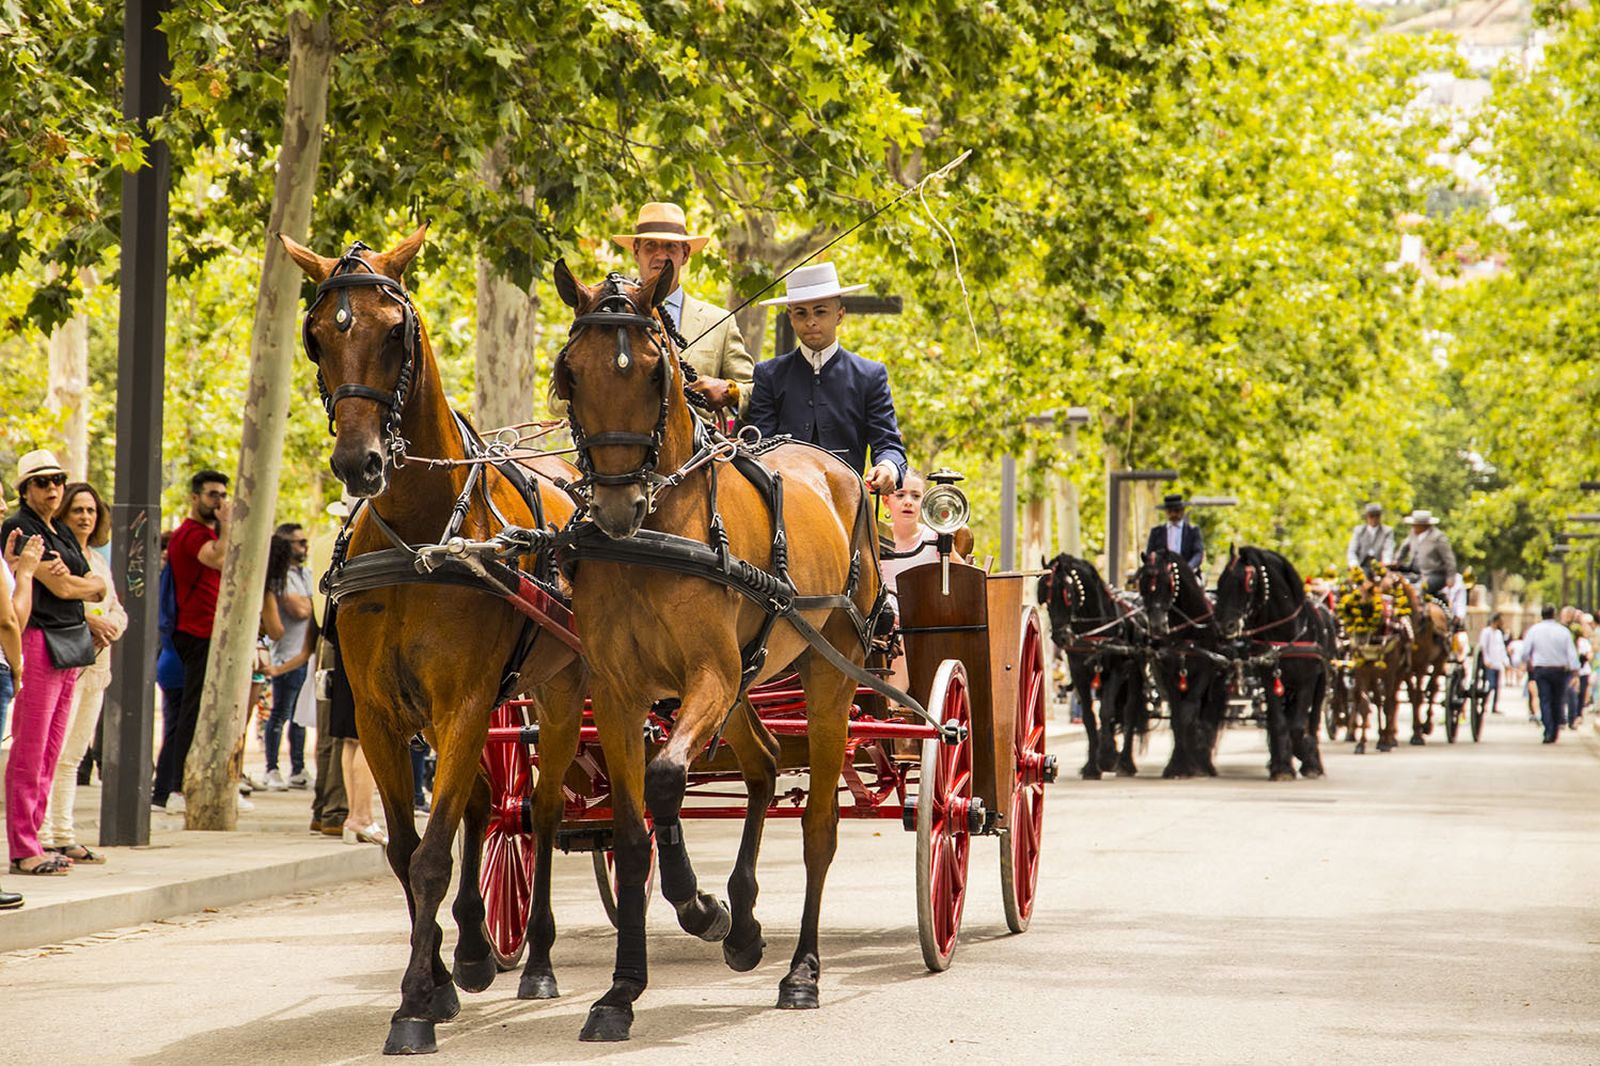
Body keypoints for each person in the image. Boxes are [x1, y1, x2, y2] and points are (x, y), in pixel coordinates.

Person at [2, 450, 105, 876]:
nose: (52, 489)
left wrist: (82, 584)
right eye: (42, 482)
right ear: (25, 489)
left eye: (58, 480)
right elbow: (62, 589)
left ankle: (40, 838)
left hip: (70, 646)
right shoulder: (19, 527)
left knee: (52, 749)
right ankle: (23, 848)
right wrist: (82, 585)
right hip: (38, 640)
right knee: (30, 748)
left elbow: (94, 582)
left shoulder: (58, 530)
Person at [747, 262, 908, 494]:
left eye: (820, 311)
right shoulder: (769, 374)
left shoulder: (870, 376)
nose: (811, 321)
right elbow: (759, 445)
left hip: (847, 503)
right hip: (782, 500)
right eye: (801, 313)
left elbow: (889, 444)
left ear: (839, 315)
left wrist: (888, 468)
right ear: (791, 317)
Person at [40, 483, 125, 865]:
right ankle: (42, 834)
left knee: (74, 753)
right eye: (77, 510)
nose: (85, 517)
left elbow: (117, 607)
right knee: (52, 752)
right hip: (65, 661)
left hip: (97, 668)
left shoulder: (98, 560)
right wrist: (92, 621)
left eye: (91, 510)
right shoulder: (57, 555)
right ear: (63, 515)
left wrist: (110, 626)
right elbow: (57, 601)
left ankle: (63, 832)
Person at [612, 201, 752, 416]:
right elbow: (557, 399)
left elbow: (755, 392)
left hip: (700, 447)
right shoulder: (607, 316)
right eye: (650, 245)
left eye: (670, 246)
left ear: (685, 254)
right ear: (636, 252)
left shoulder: (719, 322)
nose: (660, 255)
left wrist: (729, 391)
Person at [151, 469, 232, 813]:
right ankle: (173, 788)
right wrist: (228, 523)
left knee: (193, 714)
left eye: (223, 495)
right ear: (195, 497)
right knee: (189, 714)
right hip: (194, 636)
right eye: (213, 494)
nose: (219, 501)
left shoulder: (202, 532)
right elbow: (219, 557)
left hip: (207, 634)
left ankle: (174, 786)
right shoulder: (190, 534)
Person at [261, 525, 314, 790]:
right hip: (285, 657)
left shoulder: (306, 573)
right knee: (280, 713)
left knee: (300, 716)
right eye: (298, 542)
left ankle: (298, 768)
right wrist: (308, 602)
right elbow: (301, 610)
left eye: (305, 541)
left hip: (305, 657)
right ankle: (271, 768)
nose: (304, 547)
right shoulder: (277, 579)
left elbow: (308, 607)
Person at [324, 614, 385, 846]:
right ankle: (362, 816)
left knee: (351, 739)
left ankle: (354, 817)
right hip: (368, 638)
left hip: (343, 638)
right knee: (366, 736)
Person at [1514, 605, 1578, 744]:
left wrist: (1523, 662)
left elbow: (1525, 651)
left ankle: (1549, 729)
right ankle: (1553, 730)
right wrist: (1575, 671)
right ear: (1554, 614)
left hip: (1541, 669)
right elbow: (1571, 653)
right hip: (1559, 670)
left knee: (1545, 699)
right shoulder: (1563, 631)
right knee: (1557, 700)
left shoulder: (1534, 630)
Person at [1394, 509, 1456, 597]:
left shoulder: (1438, 538)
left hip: (1434, 574)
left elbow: (1449, 559)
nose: (1413, 527)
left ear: (1424, 526)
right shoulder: (1413, 534)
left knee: (1419, 589)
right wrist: (1396, 561)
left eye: (1415, 525)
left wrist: (1451, 577)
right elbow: (1403, 549)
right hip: (1414, 571)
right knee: (1395, 582)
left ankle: (1420, 609)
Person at [1145, 493, 1205, 574]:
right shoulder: (1156, 532)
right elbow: (1150, 553)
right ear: (1166, 512)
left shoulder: (1193, 531)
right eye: (1170, 511)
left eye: (1176, 511)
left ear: (1182, 511)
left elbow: (1198, 553)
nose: (1173, 514)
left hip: (1187, 572)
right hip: (1162, 573)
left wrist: (1188, 567)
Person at [1346, 502, 1394, 569]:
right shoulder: (1358, 530)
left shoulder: (1387, 531)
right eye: (1371, 516)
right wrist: (1354, 564)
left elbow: (1388, 549)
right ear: (1367, 517)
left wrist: (1386, 562)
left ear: (1380, 516)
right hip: (1361, 566)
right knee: (1349, 579)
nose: (1374, 519)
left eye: (1377, 516)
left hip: (1380, 567)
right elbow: (1352, 550)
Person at [1478, 613, 1509, 716]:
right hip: (1490, 663)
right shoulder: (1486, 632)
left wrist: (1506, 661)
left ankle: (1494, 706)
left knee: (1497, 687)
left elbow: (1501, 649)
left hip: (1497, 663)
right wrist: (1486, 660)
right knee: (1490, 685)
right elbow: (1483, 647)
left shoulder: (1499, 633)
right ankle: (1484, 704)